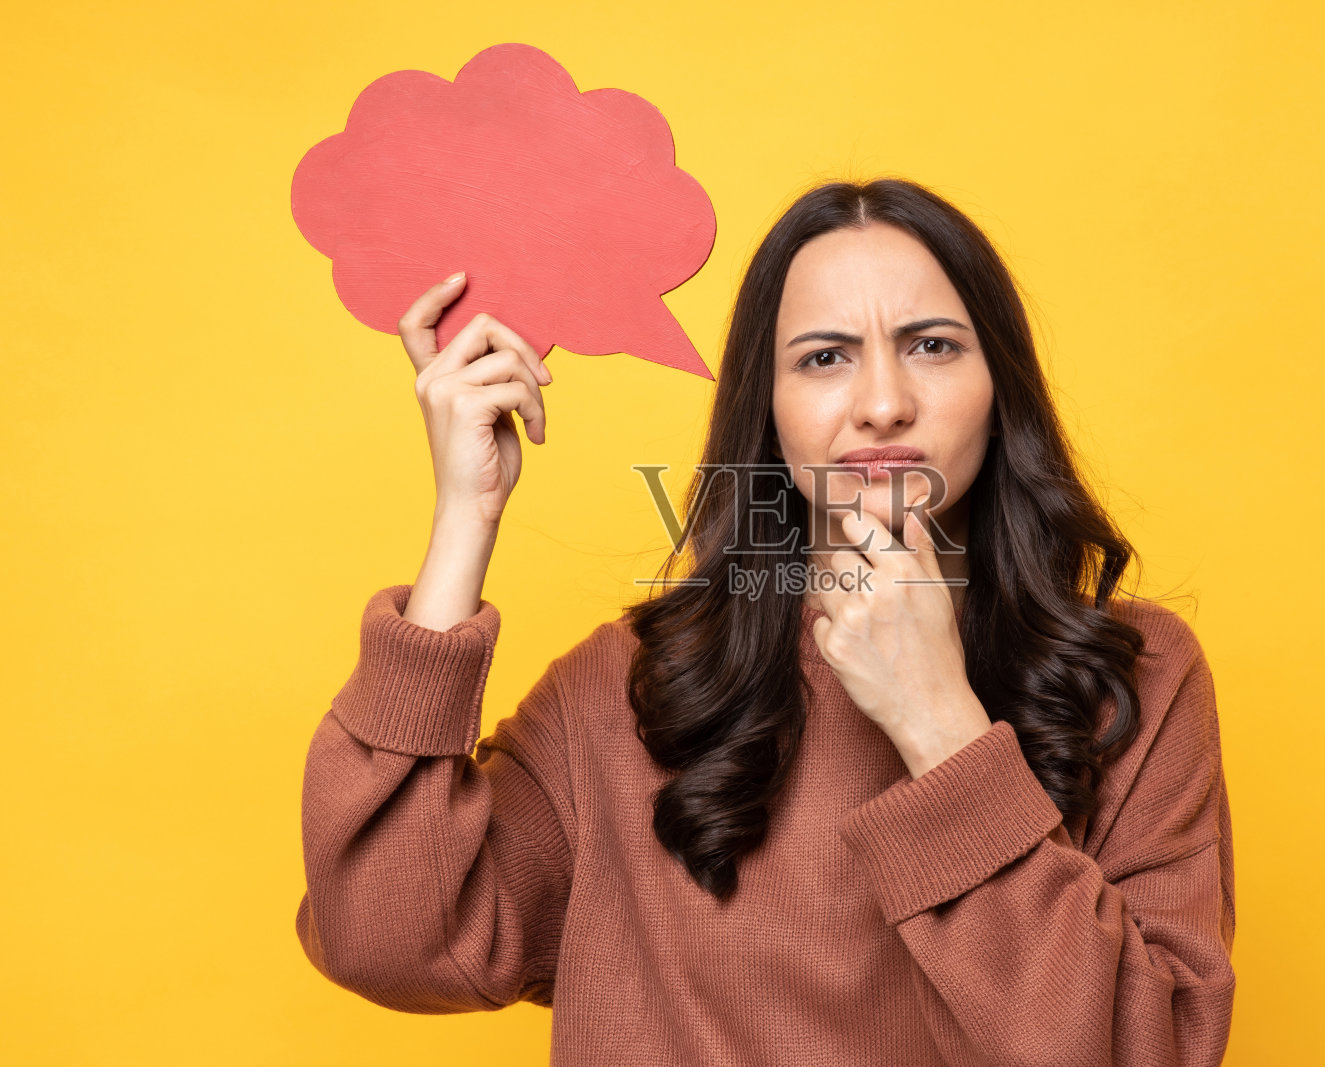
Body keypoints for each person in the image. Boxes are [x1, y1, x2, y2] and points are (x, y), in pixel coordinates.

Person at [295, 177, 1237, 1066]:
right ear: (770, 412)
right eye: (824, 358)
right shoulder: (627, 689)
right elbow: (388, 937)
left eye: (933, 345)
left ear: (1003, 390)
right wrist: (466, 515)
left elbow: (1140, 1046)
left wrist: (938, 722)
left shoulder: (1136, 675)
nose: (882, 404)